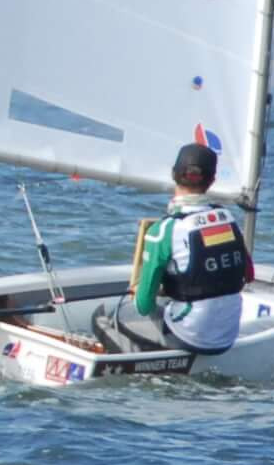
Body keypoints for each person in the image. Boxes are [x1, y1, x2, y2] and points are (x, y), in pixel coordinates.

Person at [84, 140, 256, 357]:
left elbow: (144, 306)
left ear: (173, 174)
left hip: (192, 335)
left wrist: (144, 291)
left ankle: (146, 368)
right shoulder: (228, 219)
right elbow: (248, 275)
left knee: (103, 318)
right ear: (212, 180)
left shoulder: (164, 229)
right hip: (227, 334)